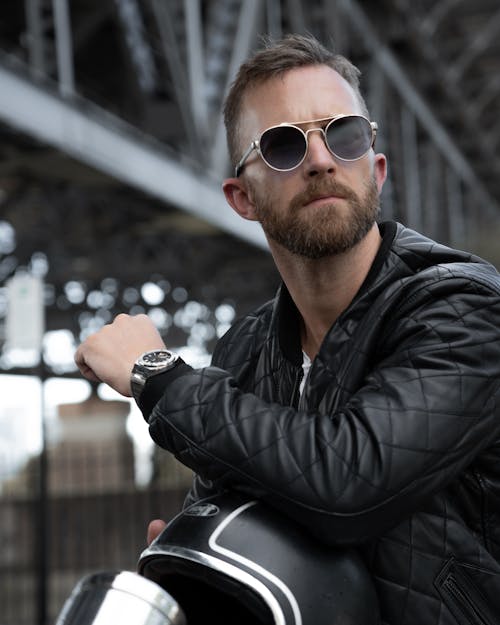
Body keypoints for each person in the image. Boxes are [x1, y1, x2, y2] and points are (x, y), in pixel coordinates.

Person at [75, 34, 500, 625]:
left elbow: (350, 480)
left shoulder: (463, 309)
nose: (322, 160)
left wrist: (158, 377)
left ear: (374, 169)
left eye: (344, 135)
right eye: (282, 145)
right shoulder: (246, 349)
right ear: (242, 197)